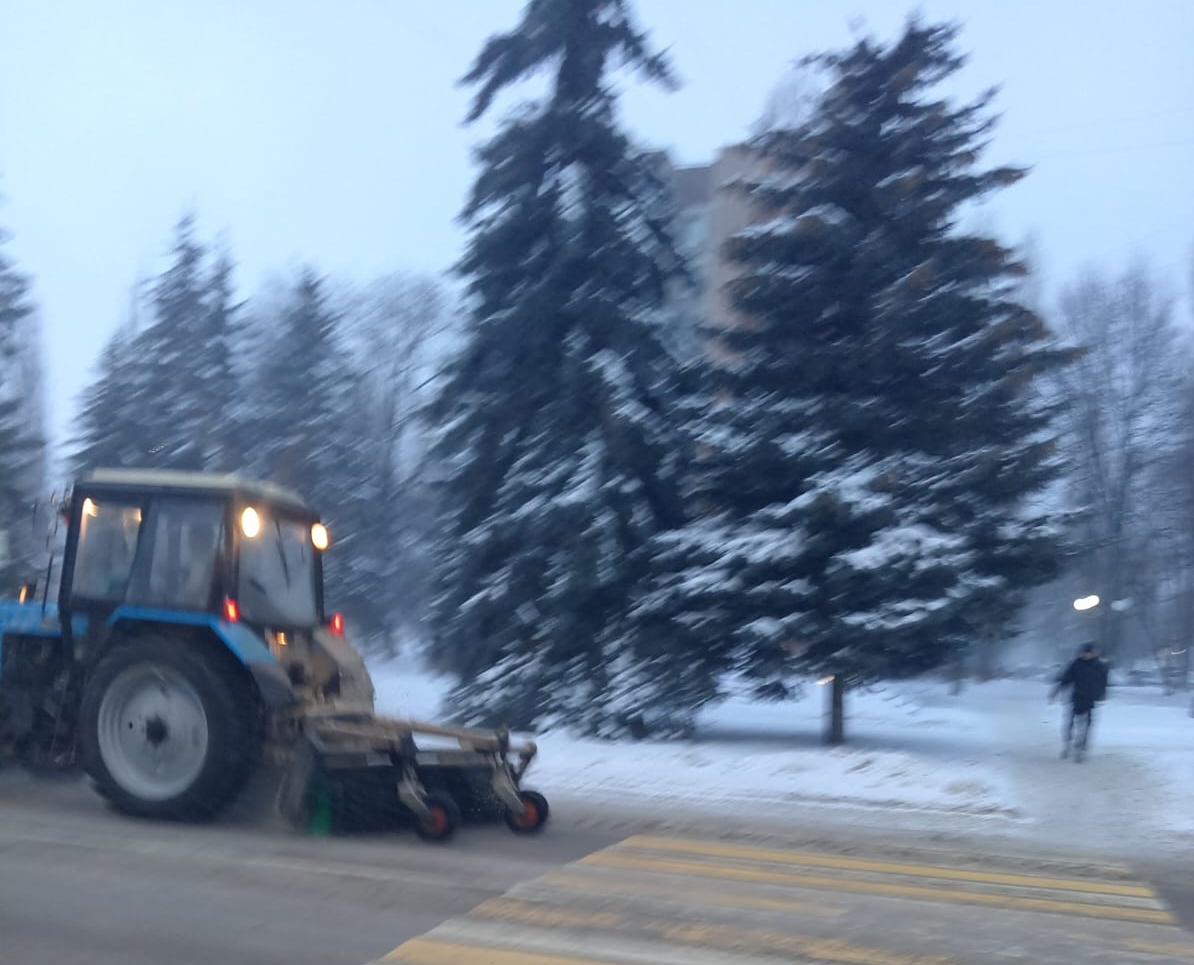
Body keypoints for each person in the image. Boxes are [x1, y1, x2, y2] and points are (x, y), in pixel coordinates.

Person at [1050, 642, 1109, 762]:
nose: (1085, 655)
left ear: (1092, 653)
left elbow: (1103, 682)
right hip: (1077, 697)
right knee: (1070, 722)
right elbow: (1066, 679)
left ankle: (1082, 746)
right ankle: (1068, 743)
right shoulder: (1076, 665)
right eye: (1083, 653)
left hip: (1090, 698)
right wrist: (1055, 692)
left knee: (1087, 723)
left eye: (1087, 653)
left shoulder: (1099, 666)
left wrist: (1102, 694)